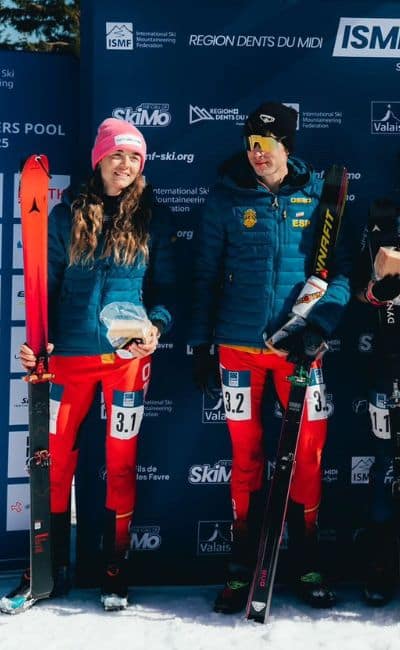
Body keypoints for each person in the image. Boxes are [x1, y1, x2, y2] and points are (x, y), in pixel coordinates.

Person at [1, 118, 175, 614]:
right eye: (117, 154)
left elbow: (167, 291)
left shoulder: (153, 219)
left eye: (135, 157)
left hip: (127, 361)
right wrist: (38, 345)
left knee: (121, 463)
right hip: (70, 360)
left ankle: (115, 568)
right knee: (54, 463)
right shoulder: (65, 216)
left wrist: (156, 327)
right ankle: (46, 567)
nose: (126, 164)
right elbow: (45, 288)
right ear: (99, 159)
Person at [189, 101, 351, 614]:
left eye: (267, 144)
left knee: (309, 455)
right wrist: (200, 344)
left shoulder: (318, 196)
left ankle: (306, 560)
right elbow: (205, 276)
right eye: (251, 144)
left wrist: (318, 329)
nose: (258, 154)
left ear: (287, 145)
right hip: (238, 351)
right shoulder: (225, 198)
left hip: (299, 350)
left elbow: (339, 274)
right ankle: (243, 564)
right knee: (246, 456)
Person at [354, 197, 400, 606]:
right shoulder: (381, 220)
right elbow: (356, 289)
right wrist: (376, 292)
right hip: (388, 364)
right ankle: (381, 562)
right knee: (385, 465)